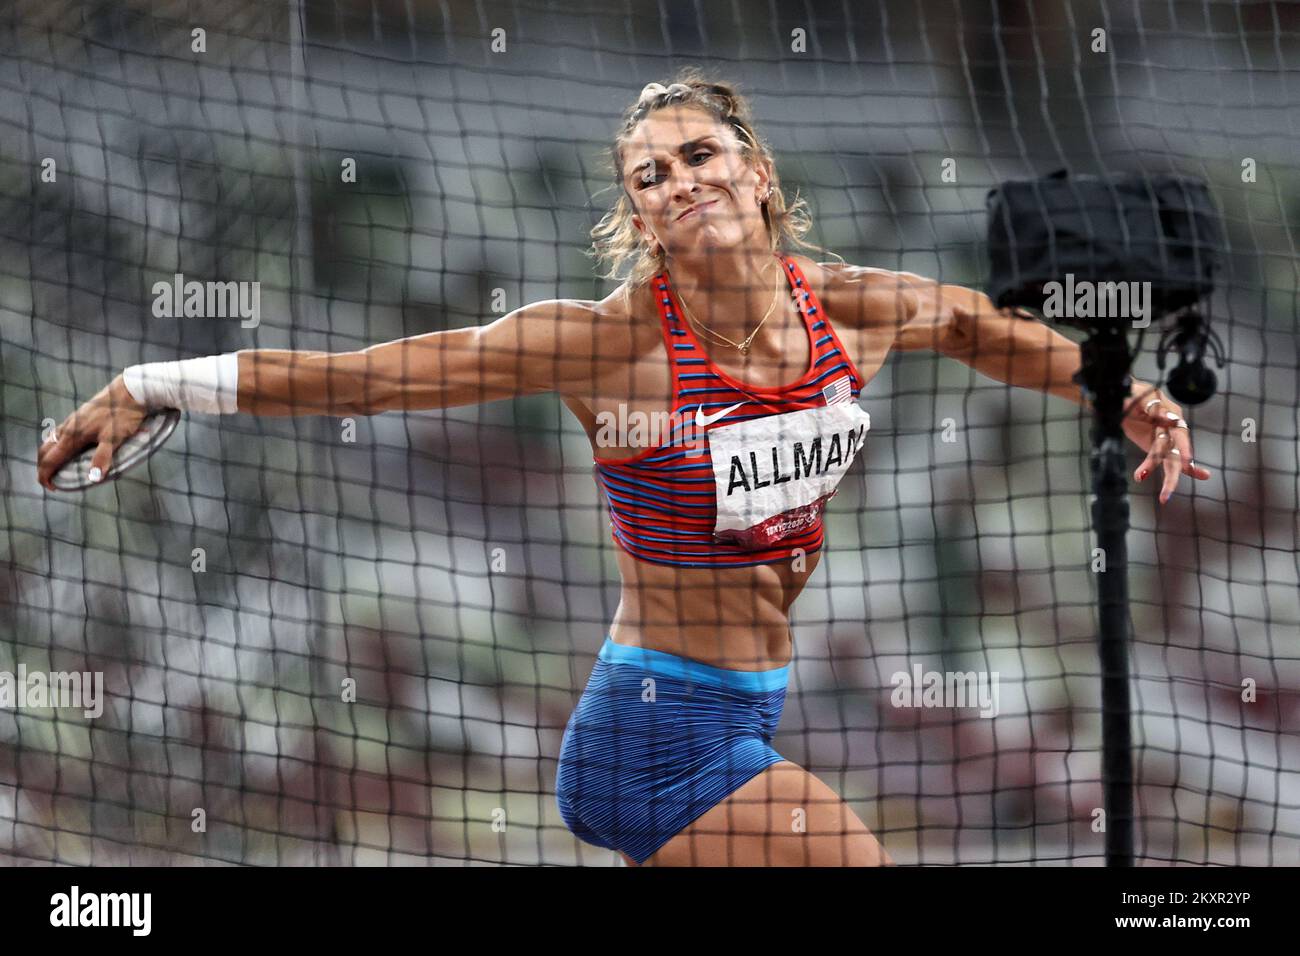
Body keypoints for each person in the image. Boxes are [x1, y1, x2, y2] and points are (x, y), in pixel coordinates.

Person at [36, 70, 1210, 866]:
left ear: (757, 172)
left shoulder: (852, 310)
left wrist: (1115, 393)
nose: (679, 180)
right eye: (651, 175)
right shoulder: (606, 345)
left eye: (699, 154)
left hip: (749, 706)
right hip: (652, 736)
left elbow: (972, 324)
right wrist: (155, 382)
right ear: (641, 217)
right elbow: (372, 378)